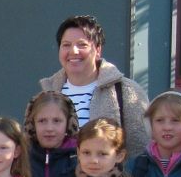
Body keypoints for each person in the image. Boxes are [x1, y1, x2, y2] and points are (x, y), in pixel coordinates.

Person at [39, 14, 151, 160]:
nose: (73, 51)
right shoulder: (49, 93)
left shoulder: (125, 91)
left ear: (98, 50)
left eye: (82, 45)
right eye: (66, 45)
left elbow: (140, 149)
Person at [23, 90, 79, 177]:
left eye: (57, 121)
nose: (49, 128)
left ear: (68, 123)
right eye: (42, 121)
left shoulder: (79, 156)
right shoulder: (21, 155)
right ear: (32, 123)